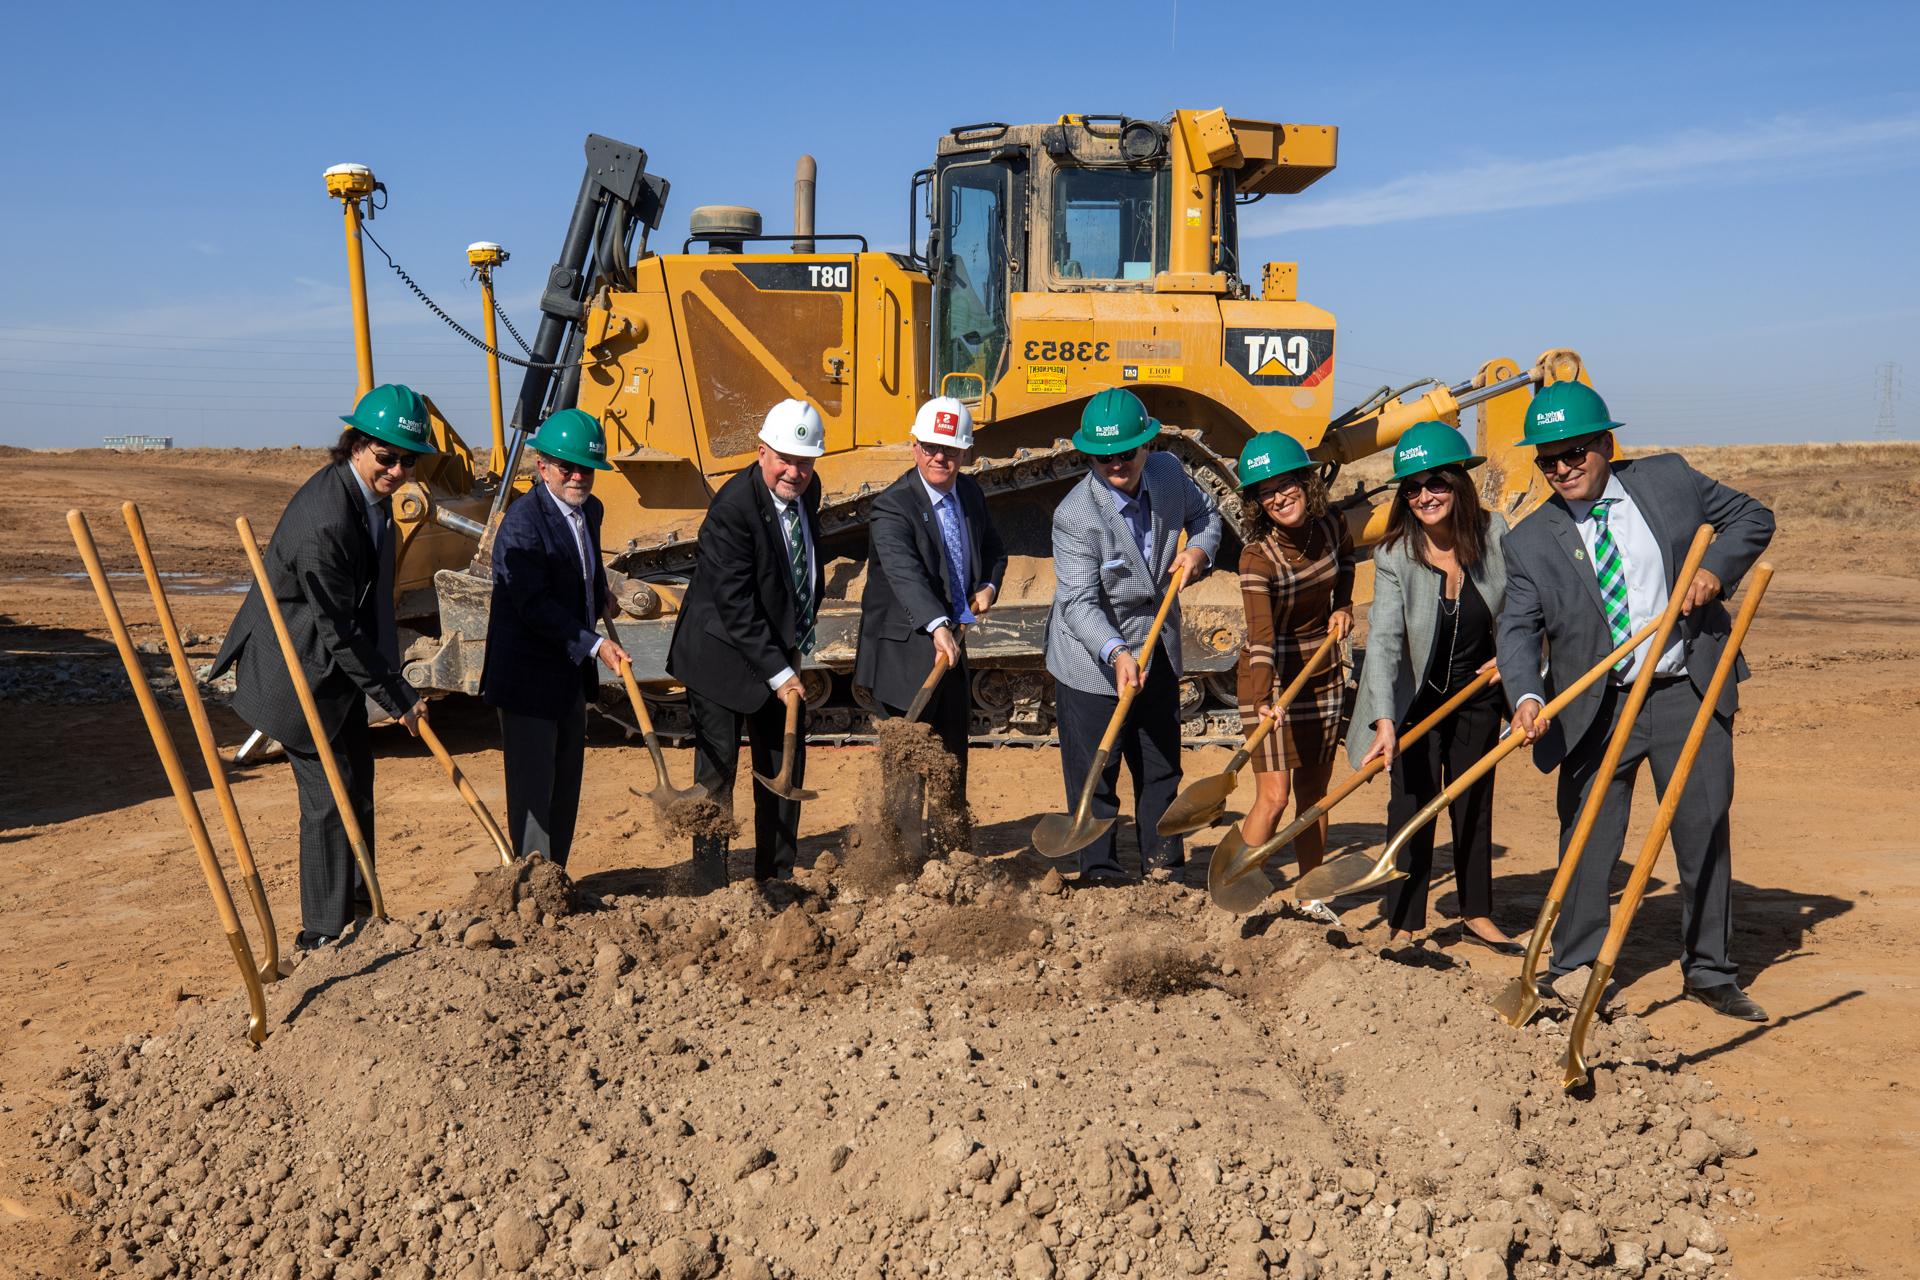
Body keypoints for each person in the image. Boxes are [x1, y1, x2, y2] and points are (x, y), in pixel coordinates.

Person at [1497, 381, 1775, 1021]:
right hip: (1599, 707)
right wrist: (1528, 694)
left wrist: (1716, 570)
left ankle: (1710, 971)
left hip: (1688, 692)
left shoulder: (1668, 481)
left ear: (1605, 444)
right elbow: (1517, 630)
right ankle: (1573, 968)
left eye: (1574, 454)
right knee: (1588, 839)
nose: (1561, 469)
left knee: (1701, 829)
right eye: (1547, 459)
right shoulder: (1530, 540)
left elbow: (1752, 517)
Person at [211, 383, 434, 950]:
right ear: (355, 445)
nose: (398, 470)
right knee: (328, 799)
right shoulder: (325, 520)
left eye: (409, 460)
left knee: (358, 784)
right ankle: (321, 933)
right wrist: (397, 695)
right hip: (299, 671)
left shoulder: (369, 497)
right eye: (387, 457)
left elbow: (368, 605)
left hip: (335, 671)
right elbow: (337, 628)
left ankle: (361, 911)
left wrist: (389, 677)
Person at [1350, 421, 1516, 952]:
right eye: (1413, 488)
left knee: (1473, 800)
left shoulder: (1495, 535)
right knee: (1411, 804)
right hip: (1414, 700)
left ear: (1458, 485)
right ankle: (1406, 921)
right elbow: (1384, 641)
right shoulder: (1394, 554)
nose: (1425, 497)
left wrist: (1511, 658)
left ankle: (1477, 913)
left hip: (1478, 692)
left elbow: (1524, 609)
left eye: (1436, 484)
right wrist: (1383, 720)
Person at [1045, 388, 1221, 884]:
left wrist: (1199, 554)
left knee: (1161, 765)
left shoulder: (1167, 472)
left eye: (1126, 452)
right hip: (1092, 659)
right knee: (1096, 774)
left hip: (1157, 645)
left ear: (1147, 445)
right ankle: (1101, 874)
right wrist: (1117, 651)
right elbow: (1079, 603)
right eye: (1103, 457)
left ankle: (1164, 866)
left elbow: (1206, 516)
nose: (1116, 464)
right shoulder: (1075, 515)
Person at [666, 398, 828, 884]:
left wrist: (793, 643)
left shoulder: (808, 488)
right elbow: (735, 604)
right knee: (717, 773)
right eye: (785, 459)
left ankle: (775, 876)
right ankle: (711, 884)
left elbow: (793, 566)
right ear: (761, 453)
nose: (795, 473)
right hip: (719, 653)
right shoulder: (731, 510)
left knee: (784, 764)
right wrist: (781, 674)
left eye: (805, 462)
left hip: (775, 646)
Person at [853, 396, 1008, 851]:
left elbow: (995, 549)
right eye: (930, 448)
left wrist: (988, 586)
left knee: (951, 758)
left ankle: (950, 854)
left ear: (966, 452)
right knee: (906, 764)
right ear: (915, 446)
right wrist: (937, 625)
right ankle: (899, 861)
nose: (940, 457)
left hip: (952, 648)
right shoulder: (892, 508)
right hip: (903, 652)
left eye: (951, 450)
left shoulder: (971, 494)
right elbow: (905, 574)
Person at [480, 409, 630, 867]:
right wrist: (594, 643)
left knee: (565, 784)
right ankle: (532, 884)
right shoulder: (523, 524)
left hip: (567, 677)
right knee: (533, 788)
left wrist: (598, 592)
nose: (578, 477)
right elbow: (534, 605)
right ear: (542, 466)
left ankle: (556, 878)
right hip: (527, 679)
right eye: (567, 467)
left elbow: (579, 564)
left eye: (587, 468)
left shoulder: (591, 510)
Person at [1232, 431, 1354, 925]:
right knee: (1275, 795)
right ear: (1257, 502)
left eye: (1286, 484)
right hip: (1271, 675)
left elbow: (1347, 561)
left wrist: (1342, 604)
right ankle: (1232, 887)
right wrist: (1263, 697)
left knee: (1314, 794)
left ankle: (1310, 895)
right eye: (1266, 491)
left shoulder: (1331, 524)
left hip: (1321, 671)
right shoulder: (1256, 557)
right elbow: (1260, 635)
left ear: (1306, 483)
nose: (1279, 497)